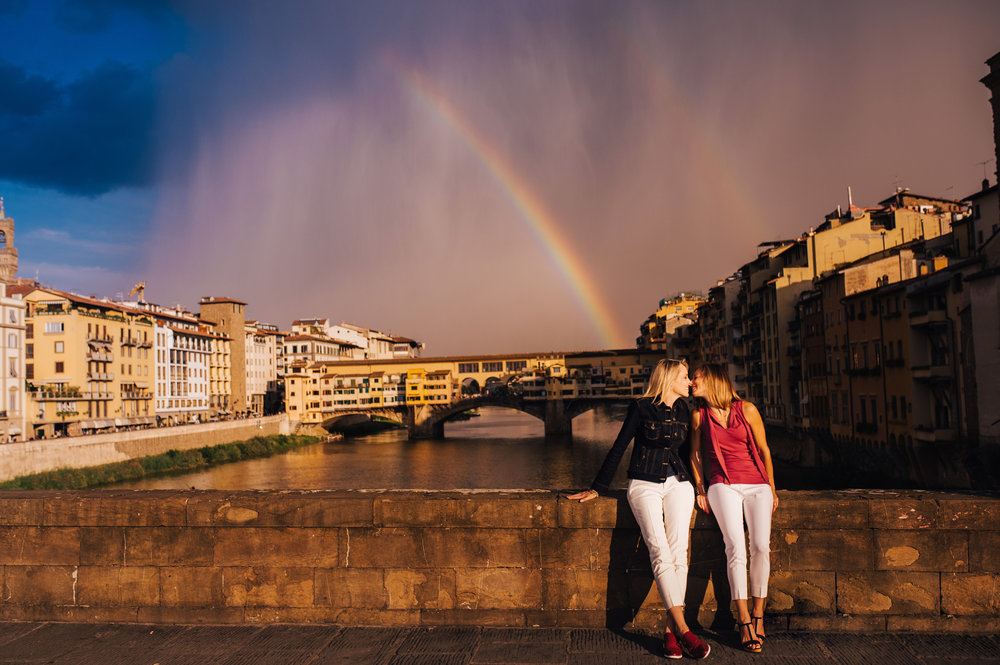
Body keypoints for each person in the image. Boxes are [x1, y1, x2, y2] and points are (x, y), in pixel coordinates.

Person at [568, 359, 710, 660]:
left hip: (679, 483)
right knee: (658, 550)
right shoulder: (641, 407)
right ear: (669, 378)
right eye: (684, 377)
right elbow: (619, 447)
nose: (689, 382)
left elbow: (690, 453)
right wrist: (598, 487)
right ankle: (684, 630)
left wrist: (701, 488)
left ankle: (671, 633)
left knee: (678, 553)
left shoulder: (686, 410)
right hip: (644, 483)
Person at [688, 364, 778, 654]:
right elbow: (695, 455)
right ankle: (743, 620)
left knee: (761, 547)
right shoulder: (699, 416)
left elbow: (764, 450)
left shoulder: (747, 410)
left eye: (696, 379)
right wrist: (700, 489)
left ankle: (759, 614)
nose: (691, 383)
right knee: (735, 546)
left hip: (757, 484)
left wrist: (772, 489)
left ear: (713, 379)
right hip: (722, 485)